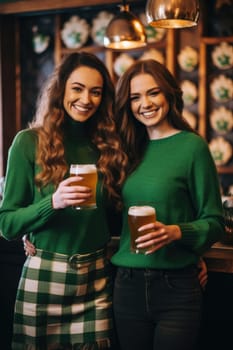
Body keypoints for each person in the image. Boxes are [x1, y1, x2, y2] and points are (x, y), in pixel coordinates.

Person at [0, 52, 128, 350]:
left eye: (96, 92)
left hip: (95, 276)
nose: (86, 99)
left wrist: (188, 253)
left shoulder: (106, 146)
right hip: (46, 273)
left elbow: (114, 218)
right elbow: (6, 224)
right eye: (78, 88)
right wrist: (52, 203)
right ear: (61, 90)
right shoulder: (28, 142)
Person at [110, 59, 225, 350]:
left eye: (153, 93)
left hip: (177, 287)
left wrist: (176, 232)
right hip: (127, 285)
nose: (145, 104)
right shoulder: (124, 149)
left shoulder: (192, 147)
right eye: (135, 97)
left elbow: (214, 221)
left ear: (169, 95)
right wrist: (34, 231)